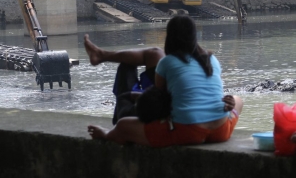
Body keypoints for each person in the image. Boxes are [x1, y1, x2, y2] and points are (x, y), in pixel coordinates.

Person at [86, 15, 243, 147]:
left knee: (122, 126)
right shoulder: (211, 60)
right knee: (238, 100)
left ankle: (106, 134)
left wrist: (139, 98)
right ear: (195, 37)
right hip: (221, 130)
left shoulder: (166, 63)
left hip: (188, 132)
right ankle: (100, 55)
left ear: (169, 37)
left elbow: (162, 100)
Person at [84, 33, 165, 125]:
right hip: (155, 105)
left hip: (144, 113)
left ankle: (101, 55)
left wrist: (135, 96)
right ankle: (100, 55)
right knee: (153, 54)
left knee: (129, 63)